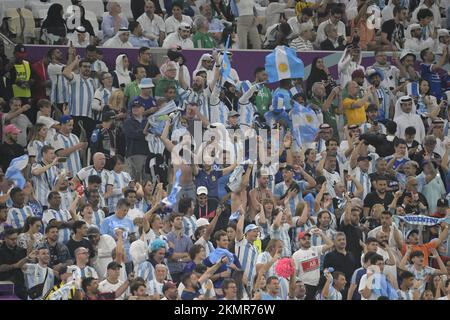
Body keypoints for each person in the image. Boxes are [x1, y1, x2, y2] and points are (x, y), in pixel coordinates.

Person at [0, 228, 35, 299]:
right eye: (12, 239)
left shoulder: (20, 250)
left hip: (20, 283)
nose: (15, 241)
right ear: (5, 238)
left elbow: (26, 262)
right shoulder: (1, 251)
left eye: (16, 239)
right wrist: (14, 266)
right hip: (5, 283)